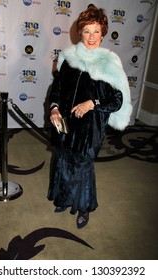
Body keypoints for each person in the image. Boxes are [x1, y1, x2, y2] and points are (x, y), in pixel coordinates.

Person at [47, 5, 132, 229]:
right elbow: (57, 88)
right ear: (80, 32)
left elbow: (117, 101)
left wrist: (92, 103)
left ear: (103, 33)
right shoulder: (69, 58)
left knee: (82, 166)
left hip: (89, 128)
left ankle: (84, 208)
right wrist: (55, 107)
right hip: (64, 122)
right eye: (87, 31)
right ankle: (64, 198)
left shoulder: (108, 64)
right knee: (63, 160)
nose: (91, 37)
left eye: (96, 31)